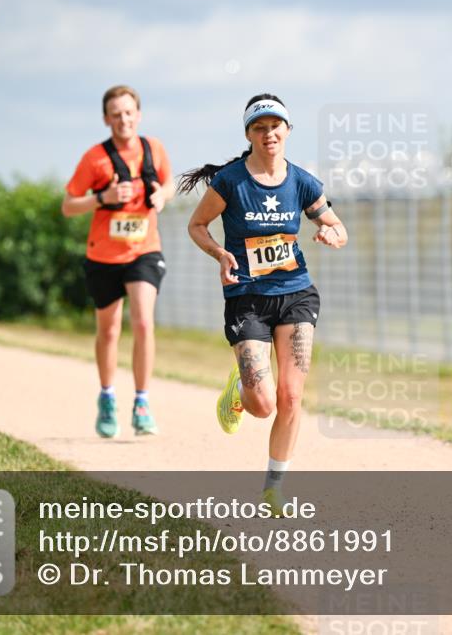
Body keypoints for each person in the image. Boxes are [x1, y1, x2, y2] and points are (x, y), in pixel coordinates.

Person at [183, 93, 347, 511]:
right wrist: (221, 254)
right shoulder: (231, 182)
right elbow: (197, 225)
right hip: (247, 298)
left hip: (296, 294)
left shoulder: (303, 182)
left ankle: (275, 487)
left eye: (275, 126)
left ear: (287, 130)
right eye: (259, 127)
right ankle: (241, 388)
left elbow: (336, 225)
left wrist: (332, 233)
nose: (268, 133)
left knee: (291, 397)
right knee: (263, 404)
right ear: (248, 135)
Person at [62, 85, 176, 438]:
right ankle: (108, 396)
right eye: (116, 114)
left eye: (128, 112)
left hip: (144, 250)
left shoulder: (154, 148)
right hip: (103, 255)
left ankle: (142, 402)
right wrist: (103, 197)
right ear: (106, 119)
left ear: (138, 115)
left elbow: (170, 184)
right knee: (109, 330)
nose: (123, 119)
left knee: (142, 322)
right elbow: (68, 205)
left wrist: (162, 196)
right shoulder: (95, 158)